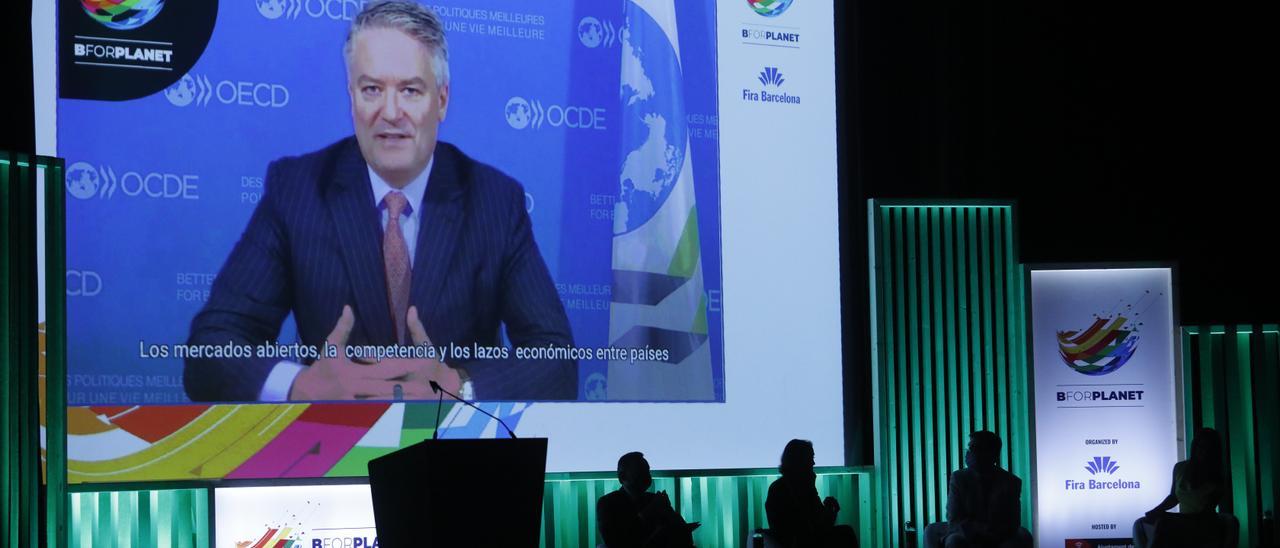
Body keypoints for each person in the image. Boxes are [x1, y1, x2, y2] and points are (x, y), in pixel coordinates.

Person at [183, 0, 576, 402]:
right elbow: (210, 351)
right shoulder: (297, 190)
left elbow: (556, 360)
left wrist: (457, 384)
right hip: (333, 445)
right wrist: (303, 385)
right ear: (352, 97)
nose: (391, 112)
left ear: (441, 101)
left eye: (410, 90)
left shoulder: (495, 201)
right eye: (372, 89)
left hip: (455, 448)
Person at [1132, 428, 1238, 548]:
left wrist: (1171, 518)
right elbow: (1173, 497)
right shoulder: (1180, 468)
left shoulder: (1219, 475)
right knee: (1141, 523)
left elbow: (1205, 512)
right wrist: (1156, 511)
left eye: (1208, 448)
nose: (1203, 451)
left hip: (1206, 524)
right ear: (1194, 446)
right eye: (1200, 446)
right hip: (1184, 523)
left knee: (1163, 524)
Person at [924, 431, 1032, 548]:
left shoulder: (1011, 482)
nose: (969, 453)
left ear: (992, 453)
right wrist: (978, 532)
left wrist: (990, 534)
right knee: (954, 541)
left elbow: (1012, 522)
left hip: (998, 536)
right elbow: (954, 517)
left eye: (975, 448)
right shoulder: (959, 478)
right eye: (970, 448)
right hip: (966, 534)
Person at [765, 439, 859, 547]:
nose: (813, 463)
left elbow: (818, 524)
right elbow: (811, 527)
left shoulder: (785, 487)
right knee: (846, 534)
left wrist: (829, 511)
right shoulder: (786, 489)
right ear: (799, 461)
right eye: (810, 458)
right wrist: (829, 511)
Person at [597, 452, 697, 548]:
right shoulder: (607, 504)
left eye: (647, 471)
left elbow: (682, 533)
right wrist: (649, 512)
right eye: (640, 472)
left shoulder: (654, 499)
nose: (647, 476)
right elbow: (616, 542)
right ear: (622, 477)